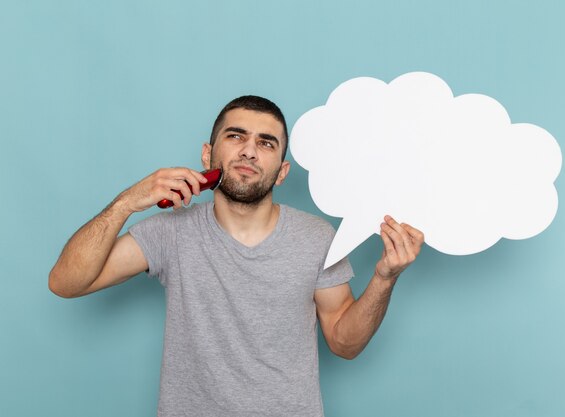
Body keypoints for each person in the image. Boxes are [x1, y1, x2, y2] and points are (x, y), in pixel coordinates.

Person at [49, 95, 424, 417]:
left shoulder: (317, 238)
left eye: (266, 143)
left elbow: (344, 343)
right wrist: (127, 203)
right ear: (208, 154)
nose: (249, 150)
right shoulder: (170, 232)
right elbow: (65, 283)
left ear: (281, 172)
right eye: (236, 136)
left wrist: (384, 279)